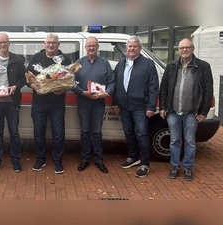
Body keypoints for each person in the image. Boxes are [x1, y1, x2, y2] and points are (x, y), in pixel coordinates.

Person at [159, 38, 213, 181]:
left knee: (189, 141)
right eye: (181, 48)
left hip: (191, 112)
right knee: (174, 140)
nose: (184, 50)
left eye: (187, 47)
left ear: (193, 49)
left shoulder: (203, 67)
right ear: (179, 50)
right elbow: (164, 88)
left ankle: (188, 167)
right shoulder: (171, 66)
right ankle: (175, 166)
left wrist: (204, 111)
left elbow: (208, 90)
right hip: (173, 111)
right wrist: (163, 107)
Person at [112, 36, 159, 178]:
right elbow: (115, 85)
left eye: (135, 46)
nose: (132, 49)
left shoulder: (148, 64)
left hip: (140, 107)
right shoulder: (120, 64)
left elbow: (153, 86)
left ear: (139, 48)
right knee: (128, 132)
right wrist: (114, 102)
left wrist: (151, 106)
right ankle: (132, 157)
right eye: (130, 46)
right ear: (126, 48)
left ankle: (145, 164)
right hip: (124, 106)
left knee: (142, 134)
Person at [27, 33, 72, 174]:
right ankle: (40, 159)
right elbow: (28, 78)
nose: (51, 45)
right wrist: (36, 88)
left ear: (58, 45)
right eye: (48, 42)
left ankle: (57, 161)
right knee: (39, 134)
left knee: (58, 134)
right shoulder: (36, 58)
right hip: (39, 102)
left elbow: (70, 80)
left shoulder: (65, 59)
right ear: (44, 43)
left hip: (57, 103)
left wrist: (64, 89)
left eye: (54, 43)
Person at [72, 37, 114, 173]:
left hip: (98, 102)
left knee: (96, 132)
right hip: (83, 101)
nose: (91, 48)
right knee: (84, 131)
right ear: (85, 47)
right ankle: (84, 159)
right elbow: (71, 83)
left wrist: (106, 93)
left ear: (97, 47)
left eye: (93, 46)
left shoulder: (105, 63)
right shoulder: (78, 63)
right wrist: (82, 92)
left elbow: (112, 82)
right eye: (89, 46)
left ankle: (98, 160)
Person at [0, 33, 26, 173]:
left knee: (14, 133)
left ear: (9, 43)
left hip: (12, 102)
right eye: (0, 42)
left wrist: (15, 87)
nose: (3, 44)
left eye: (5, 42)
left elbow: (23, 79)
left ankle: (16, 160)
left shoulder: (17, 60)